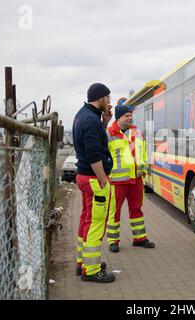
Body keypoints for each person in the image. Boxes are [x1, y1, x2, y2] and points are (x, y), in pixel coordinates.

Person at [72, 83, 115, 283]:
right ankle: (91, 270)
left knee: (86, 220)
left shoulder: (83, 115)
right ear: (100, 98)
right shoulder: (91, 120)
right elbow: (93, 154)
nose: (110, 101)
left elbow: (94, 141)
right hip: (93, 178)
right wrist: (103, 180)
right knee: (96, 223)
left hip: (84, 176)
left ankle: (83, 262)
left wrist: (105, 122)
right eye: (108, 97)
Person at [105, 104, 155, 253]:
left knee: (136, 209)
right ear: (119, 117)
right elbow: (104, 157)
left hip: (136, 179)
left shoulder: (137, 132)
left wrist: (144, 170)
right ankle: (113, 240)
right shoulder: (109, 133)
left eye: (131, 115)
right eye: (127, 115)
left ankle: (139, 239)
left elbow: (143, 152)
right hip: (117, 181)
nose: (130, 117)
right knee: (115, 211)